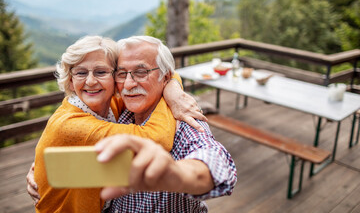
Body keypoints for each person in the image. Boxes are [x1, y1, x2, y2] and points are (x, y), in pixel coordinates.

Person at [29, 35, 206, 213]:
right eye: (81, 73)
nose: (90, 81)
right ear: (70, 81)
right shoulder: (70, 124)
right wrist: (170, 90)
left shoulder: (110, 103)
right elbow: (157, 138)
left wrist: (172, 87)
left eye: (100, 72)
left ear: (116, 78)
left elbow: (165, 73)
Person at [95, 36, 237, 212]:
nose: (129, 84)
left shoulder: (183, 119)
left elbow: (213, 157)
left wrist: (176, 173)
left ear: (166, 77)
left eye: (141, 72)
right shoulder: (116, 111)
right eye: (122, 74)